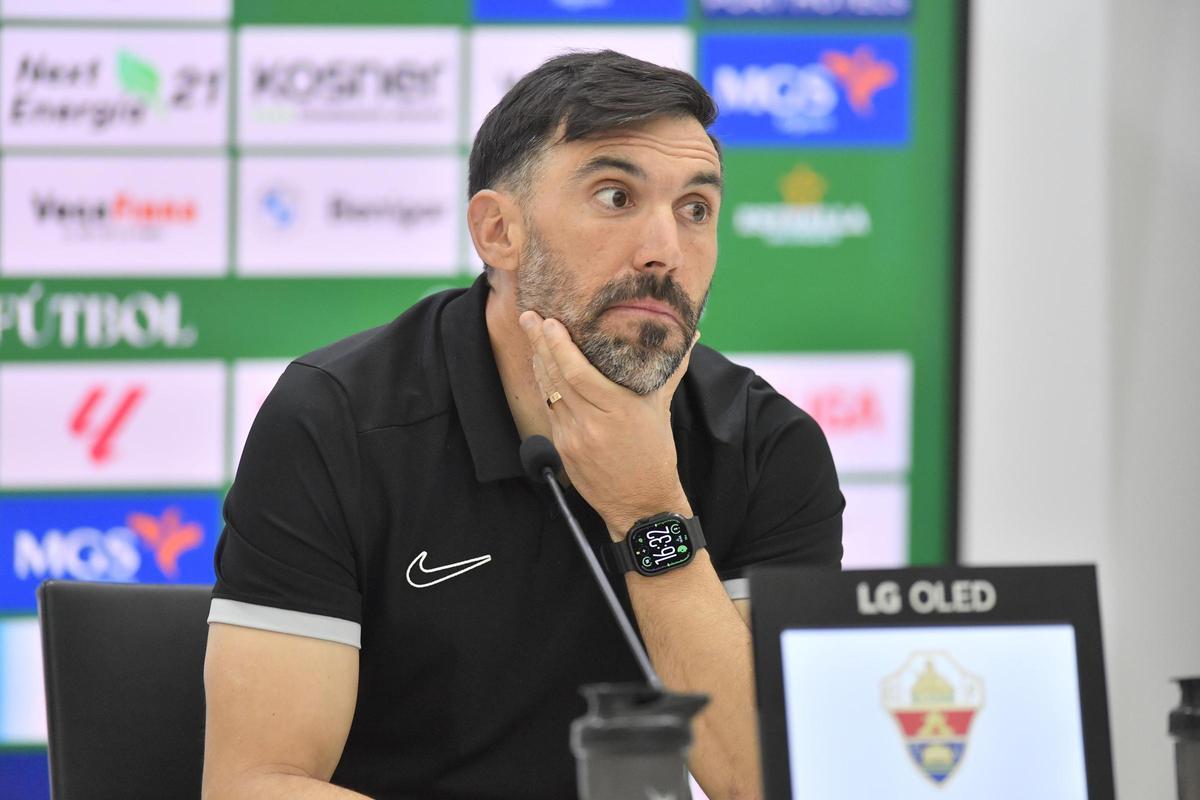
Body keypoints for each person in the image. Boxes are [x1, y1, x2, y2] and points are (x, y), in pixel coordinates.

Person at [201, 50, 843, 800]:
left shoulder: (767, 445)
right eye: (615, 196)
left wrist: (649, 510)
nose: (665, 250)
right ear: (498, 232)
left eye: (695, 209)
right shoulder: (337, 420)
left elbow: (767, 783)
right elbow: (255, 783)